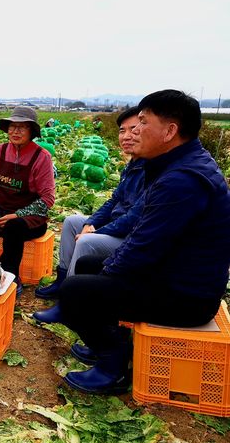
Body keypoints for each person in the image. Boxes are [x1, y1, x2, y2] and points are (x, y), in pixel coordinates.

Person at [58, 90, 230, 394]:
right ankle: (112, 340)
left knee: (75, 293)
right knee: (87, 265)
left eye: (142, 122)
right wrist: (105, 269)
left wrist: (105, 276)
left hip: (187, 295)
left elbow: (143, 247)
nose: (135, 131)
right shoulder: (179, 165)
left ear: (170, 131)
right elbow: (145, 236)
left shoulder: (182, 181)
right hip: (173, 272)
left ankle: (114, 364)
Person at [33, 107, 144, 321]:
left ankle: (69, 304)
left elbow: (134, 219)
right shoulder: (132, 165)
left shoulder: (153, 170)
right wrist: (91, 222)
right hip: (116, 226)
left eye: (135, 129)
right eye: (123, 130)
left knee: (86, 242)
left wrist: (96, 230)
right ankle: (62, 279)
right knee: (72, 222)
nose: (127, 136)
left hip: (129, 235)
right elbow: (113, 201)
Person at [0, 106, 55, 290]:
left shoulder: (41, 157)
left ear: (32, 131)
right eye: (12, 126)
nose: (15, 131)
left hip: (30, 220)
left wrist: (18, 214)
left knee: (13, 228)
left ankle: (11, 276)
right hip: (1, 213)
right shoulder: (0, 151)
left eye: (22, 127)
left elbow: (47, 199)